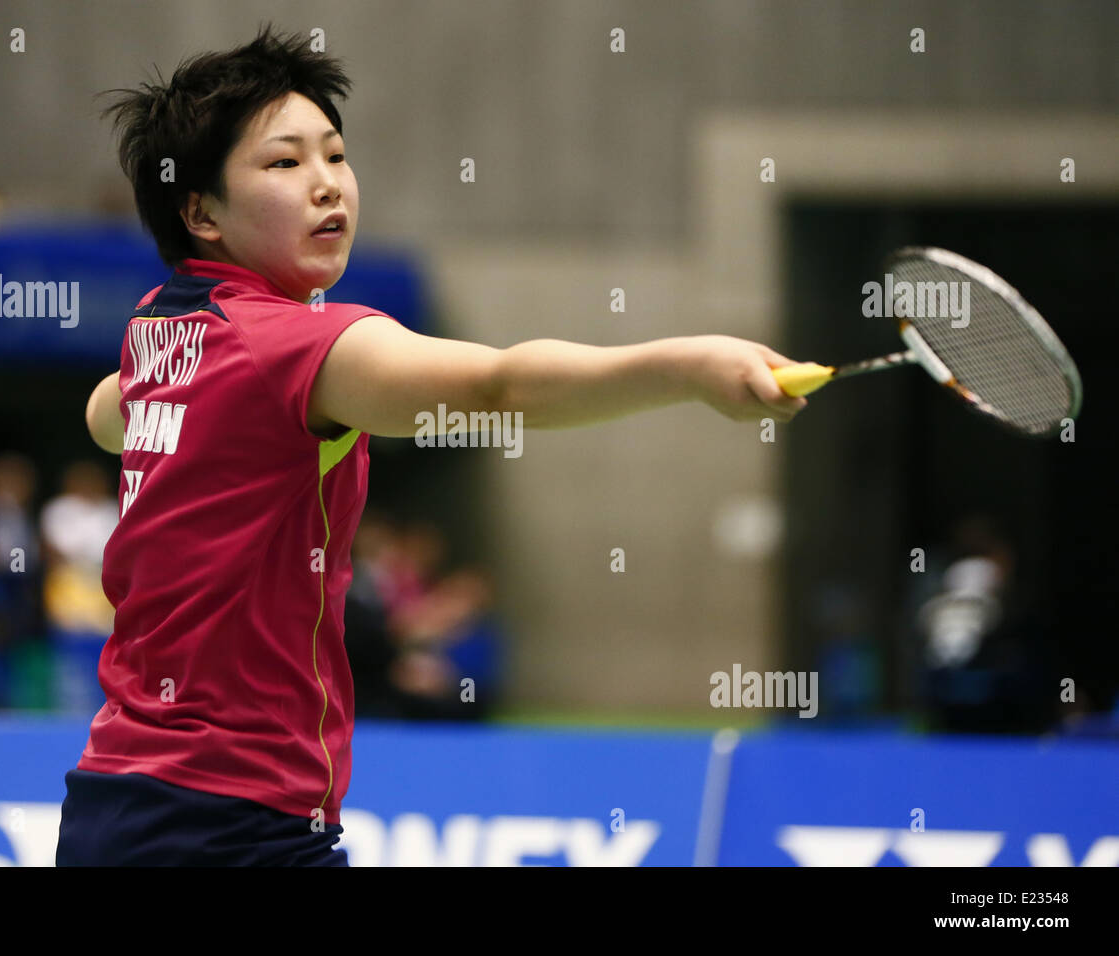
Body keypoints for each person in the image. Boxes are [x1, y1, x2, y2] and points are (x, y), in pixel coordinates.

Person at [56, 24, 808, 868]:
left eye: (335, 156)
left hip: (112, 804)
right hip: (233, 823)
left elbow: (104, 413)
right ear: (200, 212)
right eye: (283, 164)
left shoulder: (164, 327)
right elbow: (499, 387)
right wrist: (688, 366)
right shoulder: (297, 346)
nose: (325, 185)